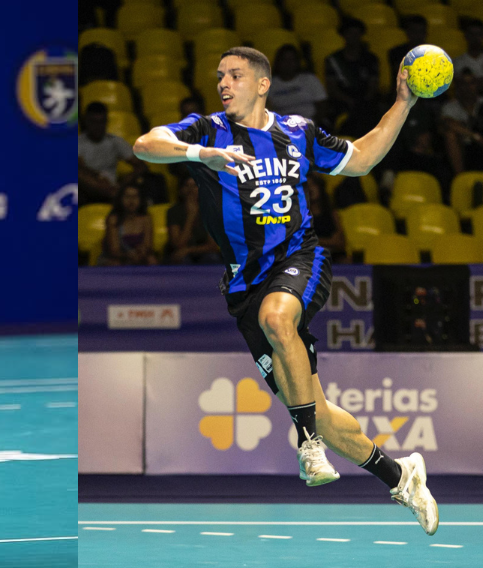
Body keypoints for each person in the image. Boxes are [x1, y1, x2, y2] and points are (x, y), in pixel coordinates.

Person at [133, 46, 438, 534]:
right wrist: (201, 154)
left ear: (262, 83)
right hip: (243, 282)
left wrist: (404, 102)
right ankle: (401, 475)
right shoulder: (208, 130)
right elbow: (145, 144)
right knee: (316, 406)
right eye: (219, 76)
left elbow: (359, 159)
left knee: (278, 319)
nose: (224, 84)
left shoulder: (297, 132)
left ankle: (306, 443)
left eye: (235, 75)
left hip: (301, 258)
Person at [78, 102, 147, 206]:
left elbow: (141, 166)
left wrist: (124, 183)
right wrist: (98, 178)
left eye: (101, 122)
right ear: (86, 122)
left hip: (112, 187)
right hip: (86, 191)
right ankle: (111, 193)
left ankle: (113, 193)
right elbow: (80, 168)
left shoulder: (115, 142)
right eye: (94, 122)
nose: (98, 126)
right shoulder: (78, 143)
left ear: (106, 122)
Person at [324, 18, 381, 136]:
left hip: (366, 103)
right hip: (341, 103)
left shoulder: (370, 59)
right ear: (343, 35)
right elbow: (332, 89)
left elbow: (373, 86)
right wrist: (349, 101)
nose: (353, 37)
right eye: (350, 33)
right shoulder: (333, 60)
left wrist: (362, 103)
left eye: (357, 33)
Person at [267, 45, 328, 125]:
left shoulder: (310, 79)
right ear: (278, 62)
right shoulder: (269, 84)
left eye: (292, 60)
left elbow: (322, 106)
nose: (288, 63)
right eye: (284, 60)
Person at [165, 178, 222, 264]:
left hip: (202, 252)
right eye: (187, 186)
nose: (190, 190)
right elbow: (178, 244)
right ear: (181, 189)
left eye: (195, 186)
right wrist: (191, 216)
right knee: (182, 259)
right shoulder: (173, 211)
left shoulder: (211, 210)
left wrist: (188, 250)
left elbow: (212, 246)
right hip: (181, 254)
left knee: (212, 258)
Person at [98, 184, 158, 266]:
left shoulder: (146, 219)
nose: (131, 201)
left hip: (139, 256)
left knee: (151, 260)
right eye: (127, 197)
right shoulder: (113, 219)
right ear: (120, 199)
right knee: (116, 264)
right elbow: (114, 250)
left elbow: (148, 245)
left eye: (135, 197)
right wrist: (128, 256)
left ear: (141, 199)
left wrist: (142, 251)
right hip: (116, 258)